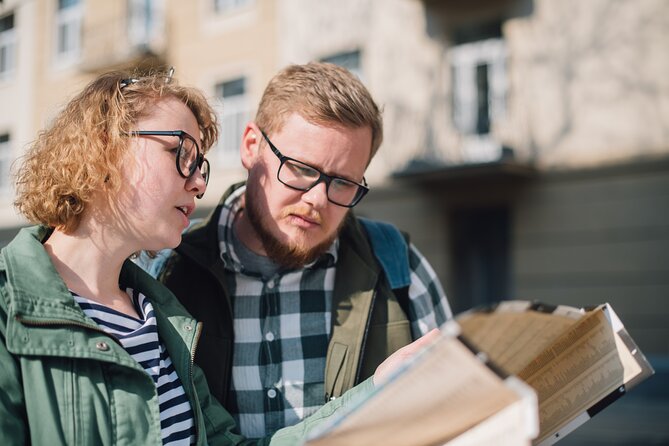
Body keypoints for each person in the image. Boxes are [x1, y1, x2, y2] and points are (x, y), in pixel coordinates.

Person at [0, 69, 437, 445]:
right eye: (180, 155)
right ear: (105, 146)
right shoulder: (13, 305)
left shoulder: (159, 315)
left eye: (200, 165)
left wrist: (377, 388)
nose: (197, 184)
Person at [156, 62, 453, 438]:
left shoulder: (397, 264)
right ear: (251, 146)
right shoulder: (169, 269)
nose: (317, 200)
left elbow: (455, 413)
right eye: (299, 168)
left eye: (343, 183)